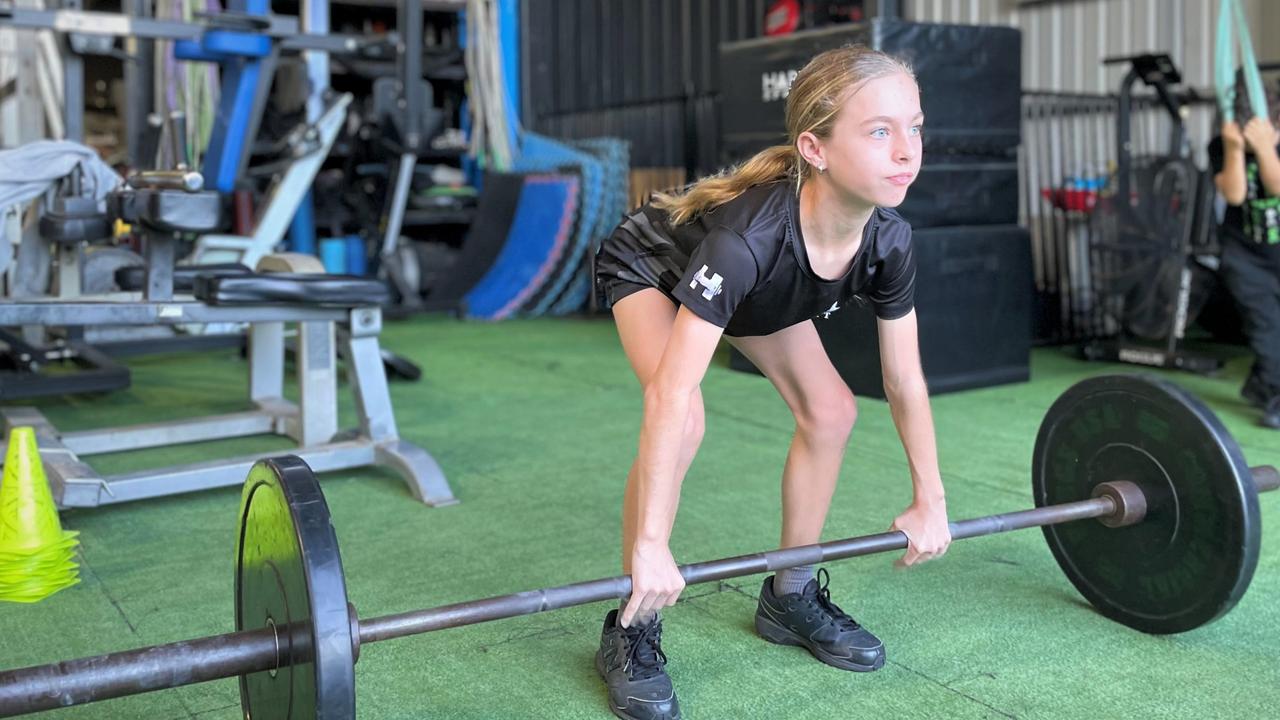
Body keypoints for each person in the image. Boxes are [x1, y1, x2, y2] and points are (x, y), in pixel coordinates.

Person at [591, 45, 952, 720]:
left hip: (755, 291)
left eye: (916, 125)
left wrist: (929, 499)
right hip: (655, 265)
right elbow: (669, 395)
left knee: (832, 411)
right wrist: (651, 548)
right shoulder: (745, 240)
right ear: (814, 147)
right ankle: (632, 627)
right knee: (686, 413)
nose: (908, 149)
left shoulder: (888, 241)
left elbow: (904, 378)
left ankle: (789, 597)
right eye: (880, 131)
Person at [1209, 72, 1280, 429]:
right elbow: (1234, 194)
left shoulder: (1273, 141)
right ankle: (1276, 396)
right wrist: (1236, 149)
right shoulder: (1221, 146)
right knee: (1265, 325)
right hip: (1246, 256)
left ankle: (1259, 384)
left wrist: (1266, 149)